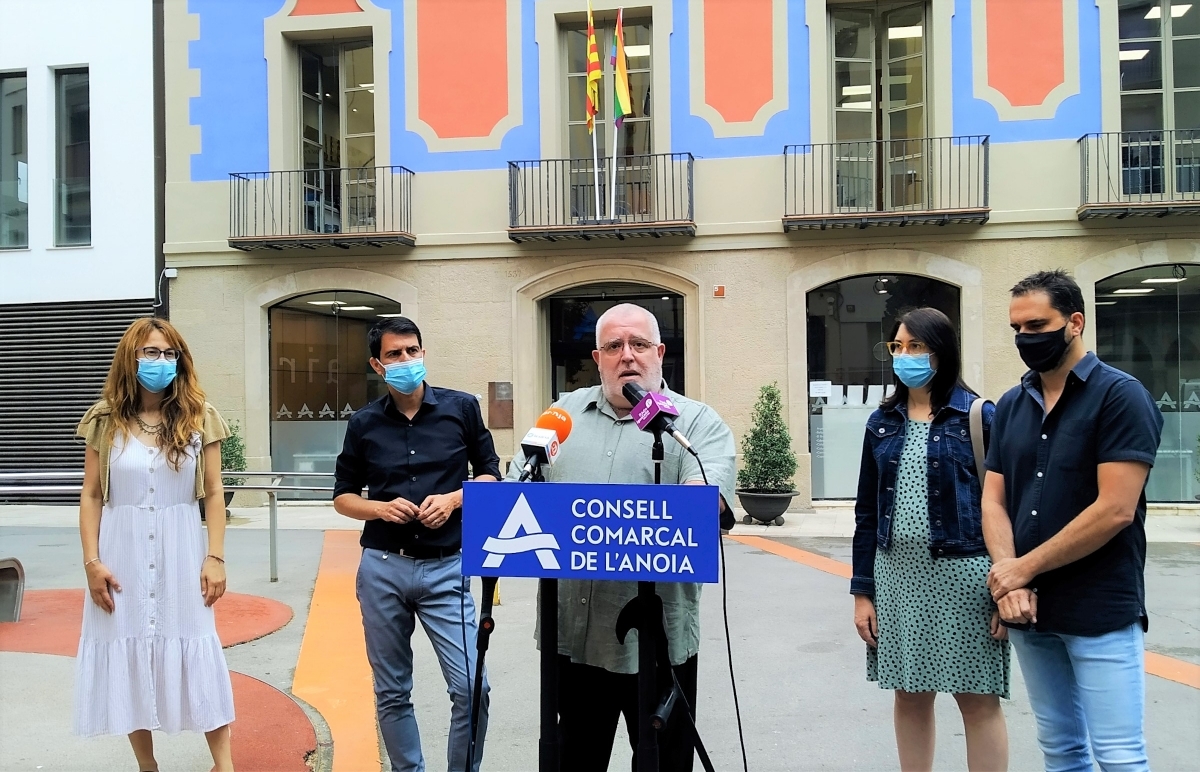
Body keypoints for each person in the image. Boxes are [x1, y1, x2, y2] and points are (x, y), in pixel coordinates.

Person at [505, 303, 736, 772]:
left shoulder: (694, 424)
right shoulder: (560, 415)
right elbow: (518, 489)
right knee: (576, 759)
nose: (626, 356)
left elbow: (704, 498)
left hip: (659, 640)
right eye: (614, 346)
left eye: (639, 344)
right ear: (597, 356)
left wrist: (694, 496)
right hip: (574, 635)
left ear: (660, 352)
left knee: (663, 764)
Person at [982, 271, 1162, 772]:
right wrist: (1007, 577)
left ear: (1075, 322)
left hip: (1098, 607)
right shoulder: (1013, 404)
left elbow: (1115, 509)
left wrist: (1022, 569)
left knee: (1120, 756)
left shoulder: (1121, 397)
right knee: (1061, 751)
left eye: (1037, 325)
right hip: (1028, 612)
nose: (1025, 339)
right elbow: (993, 500)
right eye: (1016, 328)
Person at [333, 316, 501, 772]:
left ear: (423, 353)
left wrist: (454, 499)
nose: (406, 361)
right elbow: (343, 497)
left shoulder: (461, 408)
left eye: (412, 351)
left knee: (472, 688)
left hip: (448, 567)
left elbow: (491, 474)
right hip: (383, 568)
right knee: (391, 691)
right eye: (394, 355)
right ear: (377, 364)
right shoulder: (363, 423)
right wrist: (381, 508)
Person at [851, 307, 1010, 772]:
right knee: (910, 694)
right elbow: (866, 513)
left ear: (942, 352)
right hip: (898, 578)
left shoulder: (979, 416)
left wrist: (1009, 586)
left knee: (978, 699)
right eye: (897, 347)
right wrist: (863, 592)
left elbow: (1007, 507)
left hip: (967, 576)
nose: (904, 356)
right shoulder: (882, 421)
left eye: (916, 346)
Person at [74, 317, 235, 772]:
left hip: (182, 550)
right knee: (128, 653)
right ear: (131, 358)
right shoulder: (104, 420)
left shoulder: (200, 414)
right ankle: (148, 765)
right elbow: (91, 494)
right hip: (119, 551)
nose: (161, 362)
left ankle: (224, 764)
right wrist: (92, 562)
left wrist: (215, 556)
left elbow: (216, 492)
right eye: (150, 352)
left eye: (169, 354)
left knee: (197, 646)